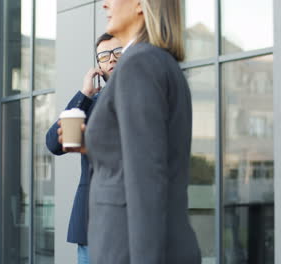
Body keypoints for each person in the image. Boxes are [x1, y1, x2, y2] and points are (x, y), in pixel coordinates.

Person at [78, 0, 201, 263]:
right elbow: (141, 155)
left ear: (139, 4)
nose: (104, 5)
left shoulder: (139, 63)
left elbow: (147, 178)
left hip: (129, 251)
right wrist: (93, 144)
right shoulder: (155, 61)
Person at [45, 33, 122, 264]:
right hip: (89, 220)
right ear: (98, 64)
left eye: (118, 53)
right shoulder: (91, 102)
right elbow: (53, 144)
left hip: (125, 219)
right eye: (104, 56)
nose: (111, 60)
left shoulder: (142, 95)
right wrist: (84, 94)